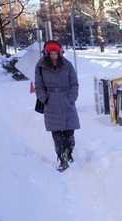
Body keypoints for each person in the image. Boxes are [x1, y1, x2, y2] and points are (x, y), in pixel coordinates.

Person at [34, 40, 80, 172]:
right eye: (51, 54)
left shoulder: (67, 65)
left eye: (56, 53)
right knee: (57, 135)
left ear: (60, 53)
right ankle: (62, 158)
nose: (54, 56)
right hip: (51, 102)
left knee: (69, 133)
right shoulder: (41, 66)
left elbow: (74, 83)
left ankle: (69, 152)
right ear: (46, 54)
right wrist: (44, 99)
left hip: (66, 102)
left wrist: (71, 98)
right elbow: (38, 85)